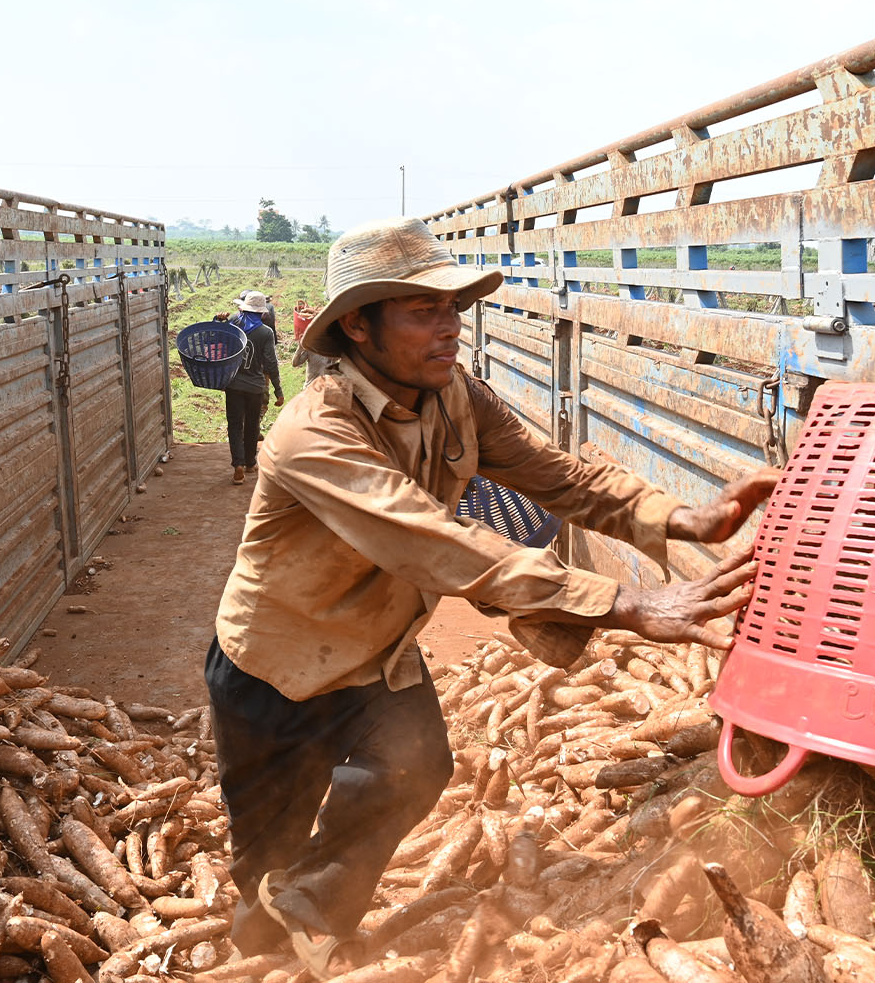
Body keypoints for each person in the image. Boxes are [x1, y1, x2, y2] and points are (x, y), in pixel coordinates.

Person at [206, 217, 779, 976]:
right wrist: (630, 605)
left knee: (417, 768)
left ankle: (310, 919)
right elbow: (435, 543)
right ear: (359, 327)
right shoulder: (315, 433)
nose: (452, 327)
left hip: (378, 652)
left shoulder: (454, 395)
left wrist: (681, 517)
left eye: (453, 307)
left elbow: (558, 476)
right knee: (265, 859)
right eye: (424, 312)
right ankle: (261, 949)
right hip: (274, 670)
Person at [222, 290, 282, 484]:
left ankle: (238, 464)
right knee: (252, 424)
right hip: (255, 387)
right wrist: (277, 389)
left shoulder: (233, 323)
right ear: (261, 313)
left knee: (235, 424)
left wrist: (216, 320)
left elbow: (217, 340)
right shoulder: (265, 332)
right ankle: (249, 462)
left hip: (233, 384)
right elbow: (271, 363)